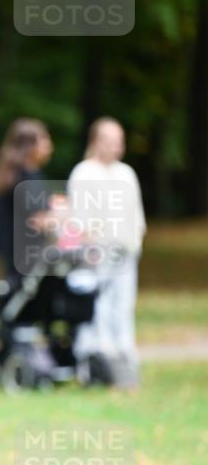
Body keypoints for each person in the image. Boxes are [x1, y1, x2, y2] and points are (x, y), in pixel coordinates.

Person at [68, 117, 145, 388]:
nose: (116, 147)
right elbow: (78, 217)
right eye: (110, 141)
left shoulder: (126, 173)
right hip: (96, 255)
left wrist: (135, 241)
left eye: (119, 142)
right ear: (96, 142)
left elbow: (135, 215)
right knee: (97, 309)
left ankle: (125, 361)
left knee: (122, 308)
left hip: (125, 254)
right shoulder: (84, 173)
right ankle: (98, 362)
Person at [0, 118, 53, 282]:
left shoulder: (13, 173)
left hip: (13, 249)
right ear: (30, 145)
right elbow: (38, 219)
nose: (49, 145)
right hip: (25, 250)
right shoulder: (26, 177)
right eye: (44, 139)